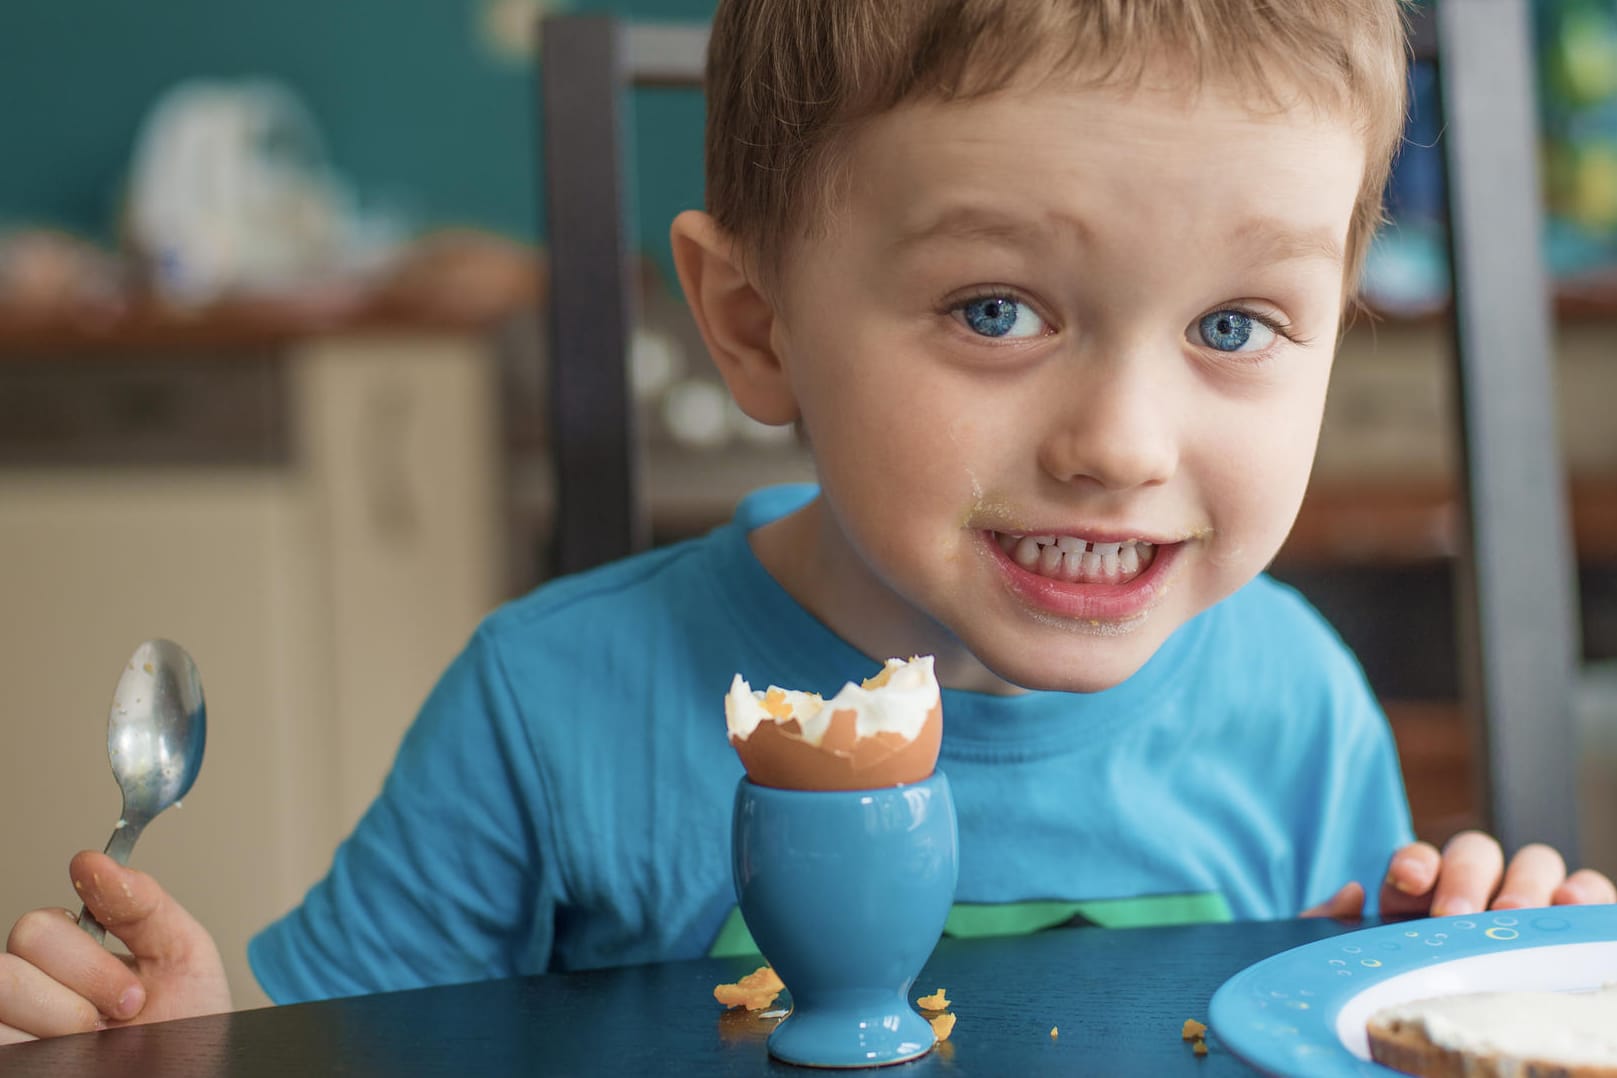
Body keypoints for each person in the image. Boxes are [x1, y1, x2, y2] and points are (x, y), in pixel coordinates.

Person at [3, 0, 1612, 1043]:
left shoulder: (1297, 706)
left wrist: (1462, 980)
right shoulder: (549, 705)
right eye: (995, 308)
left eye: (1236, 327)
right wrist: (188, 1030)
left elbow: (1323, 1025)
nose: (1121, 446)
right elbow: (327, 1042)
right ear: (756, 322)